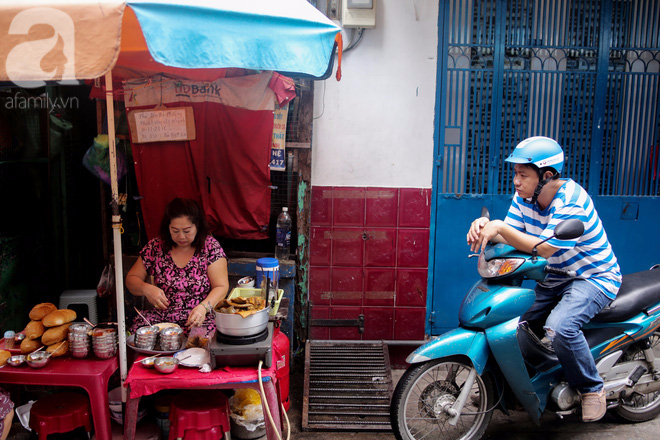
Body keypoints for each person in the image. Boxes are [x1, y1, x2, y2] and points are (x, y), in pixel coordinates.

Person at [466, 136, 621, 422]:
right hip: (555, 277)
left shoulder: (572, 200)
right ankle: (513, 387)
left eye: (523, 175)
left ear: (546, 176)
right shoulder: (524, 198)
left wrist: (500, 227)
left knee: (560, 328)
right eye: (515, 173)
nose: (516, 181)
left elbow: (546, 248)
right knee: (510, 324)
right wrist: (486, 227)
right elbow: (509, 234)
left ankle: (591, 389)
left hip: (593, 277)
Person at [126, 197, 229, 336]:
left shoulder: (210, 247)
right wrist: (146, 289)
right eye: (175, 230)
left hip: (198, 317)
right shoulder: (156, 247)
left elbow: (221, 286)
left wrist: (203, 308)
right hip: (161, 319)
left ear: (197, 226)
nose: (181, 236)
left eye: (187, 231)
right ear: (167, 227)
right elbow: (131, 279)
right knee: (139, 336)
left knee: (201, 341)